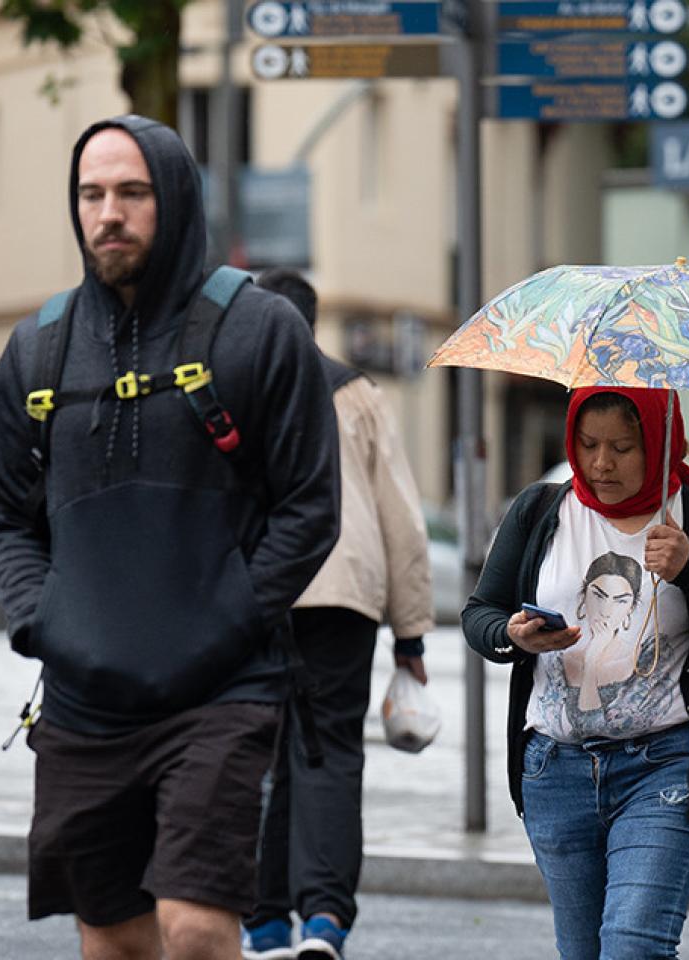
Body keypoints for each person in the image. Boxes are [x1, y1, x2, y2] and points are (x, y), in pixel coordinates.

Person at [0, 116, 339, 959]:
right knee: (112, 938)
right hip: (82, 700)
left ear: (174, 198)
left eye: (132, 193)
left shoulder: (261, 330)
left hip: (221, 687)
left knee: (197, 927)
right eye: (91, 194)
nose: (109, 214)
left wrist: (231, 616)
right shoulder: (38, 348)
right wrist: (43, 620)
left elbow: (311, 506)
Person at [463, 386, 689, 959]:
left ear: (659, 443)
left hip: (666, 766)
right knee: (582, 952)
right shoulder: (541, 511)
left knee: (633, 944)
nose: (601, 463)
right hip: (554, 772)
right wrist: (512, 635)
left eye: (623, 447)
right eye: (588, 445)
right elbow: (480, 613)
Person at [243, 269, 434, 960]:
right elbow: (401, 519)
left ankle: (264, 923)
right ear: (312, 321)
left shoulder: (235, 391)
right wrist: (410, 633)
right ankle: (324, 920)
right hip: (342, 596)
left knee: (258, 757)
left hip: (255, 596)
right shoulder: (357, 393)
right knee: (329, 752)